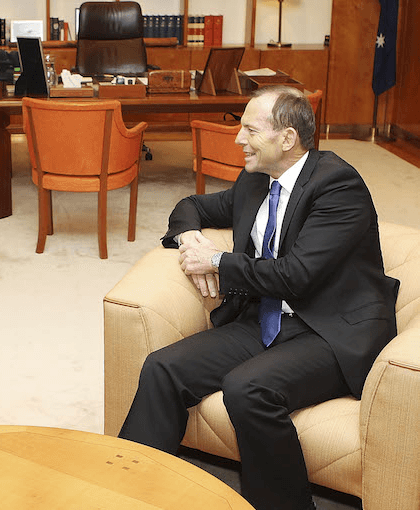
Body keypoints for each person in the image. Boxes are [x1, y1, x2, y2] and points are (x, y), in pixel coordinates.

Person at [117, 86, 399, 510]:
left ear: (287, 139)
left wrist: (215, 260)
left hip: (330, 330)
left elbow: (296, 276)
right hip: (266, 319)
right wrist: (188, 235)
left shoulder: (338, 186)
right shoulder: (255, 181)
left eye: (249, 129)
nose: (237, 139)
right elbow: (192, 205)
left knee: (247, 388)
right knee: (163, 367)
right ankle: (129, 492)